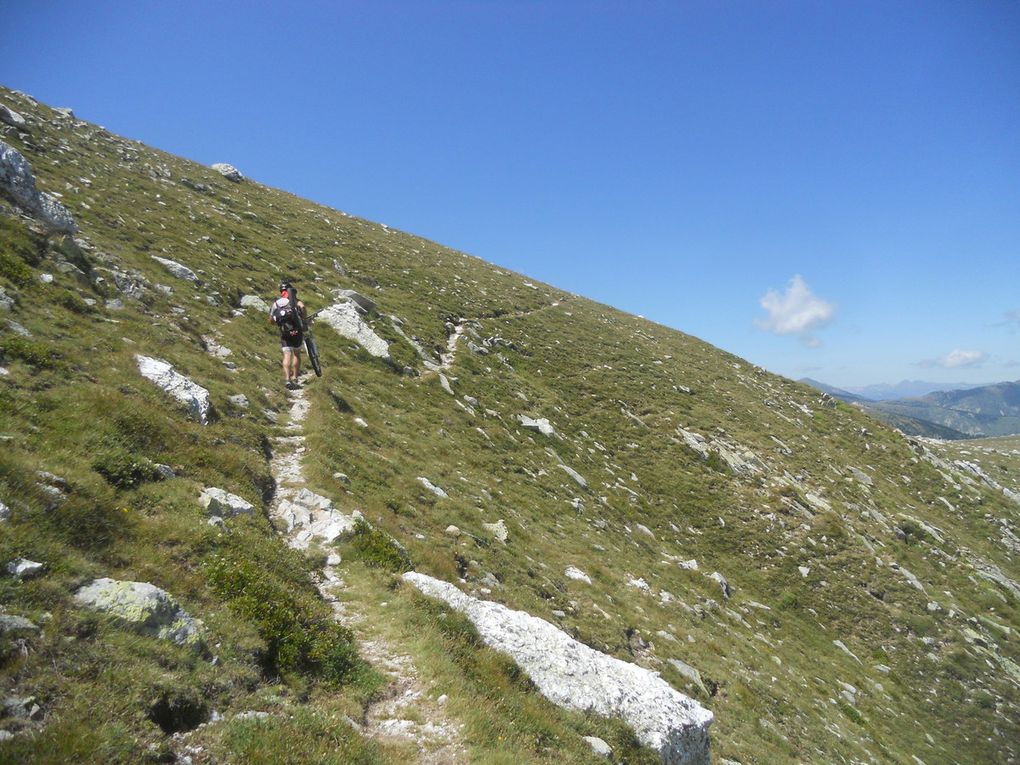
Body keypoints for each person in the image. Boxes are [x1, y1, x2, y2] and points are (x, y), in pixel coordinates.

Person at [270, 281, 307, 389]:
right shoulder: (294, 300)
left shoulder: (276, 304)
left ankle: (287, 379)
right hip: (296, 331)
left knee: (287, 355)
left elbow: (271, 320)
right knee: (296, 354)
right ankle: (295, 377)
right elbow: (303, 307)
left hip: (285, 332)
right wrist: (304, 319)